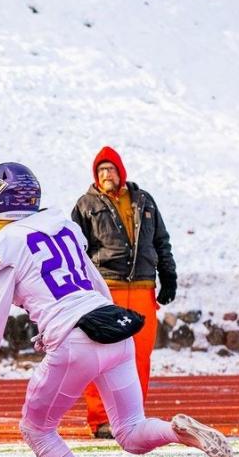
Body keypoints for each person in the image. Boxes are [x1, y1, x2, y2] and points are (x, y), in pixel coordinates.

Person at [0, 162, 232, 457]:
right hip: (111, 326)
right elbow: (96, 285)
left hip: (75, 340)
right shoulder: (62, 226)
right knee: (131, 432)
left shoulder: (2, 244)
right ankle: (176, 431)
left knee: (37, 430)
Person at [70, 146, 176, 439]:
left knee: (140, 355)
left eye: (111, 169)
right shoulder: (85, 205)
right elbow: (75, 251)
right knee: (100, 356)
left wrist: (168, 276)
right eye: (101, 170)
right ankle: (101, 419)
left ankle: (132, 417)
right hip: (106, 288)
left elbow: (161, 241)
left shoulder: (144, 201)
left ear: (121, 171)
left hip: (143, 287)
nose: (106, 174)